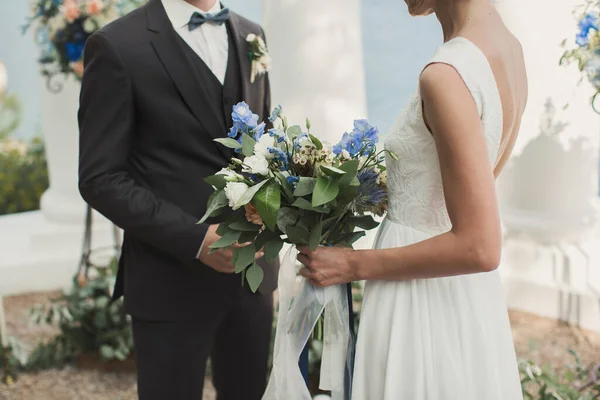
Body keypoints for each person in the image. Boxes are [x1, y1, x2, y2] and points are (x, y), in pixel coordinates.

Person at [296, 0, 527, 398]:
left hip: (419, 306)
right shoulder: (508, 47)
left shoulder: (446, 75)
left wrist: (350, 264)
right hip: (468, 298)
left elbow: (481, 245)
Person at [77, 0, 276, 399]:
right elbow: (100, 178)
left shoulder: (251, 33)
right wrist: (196, 240)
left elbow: (264, 143)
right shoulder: (117, 45)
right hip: (168, 280)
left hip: (252, 278)